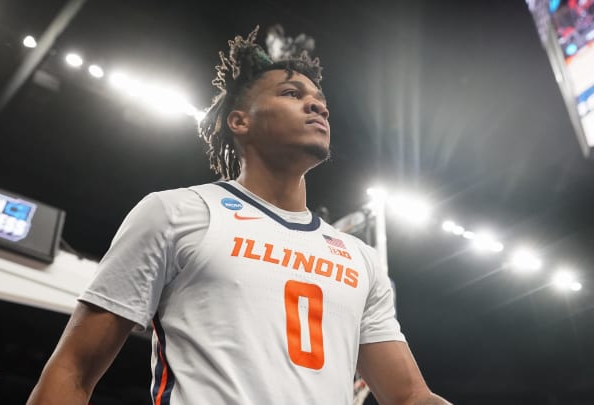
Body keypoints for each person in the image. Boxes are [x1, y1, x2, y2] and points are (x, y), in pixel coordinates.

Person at [27, 27, 451, 405]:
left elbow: (409, 395)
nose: (317, 107)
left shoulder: (360, 259)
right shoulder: (176, 213)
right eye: (292, 94)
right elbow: (74, 371)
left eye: (320, 101)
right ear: (239, 121)